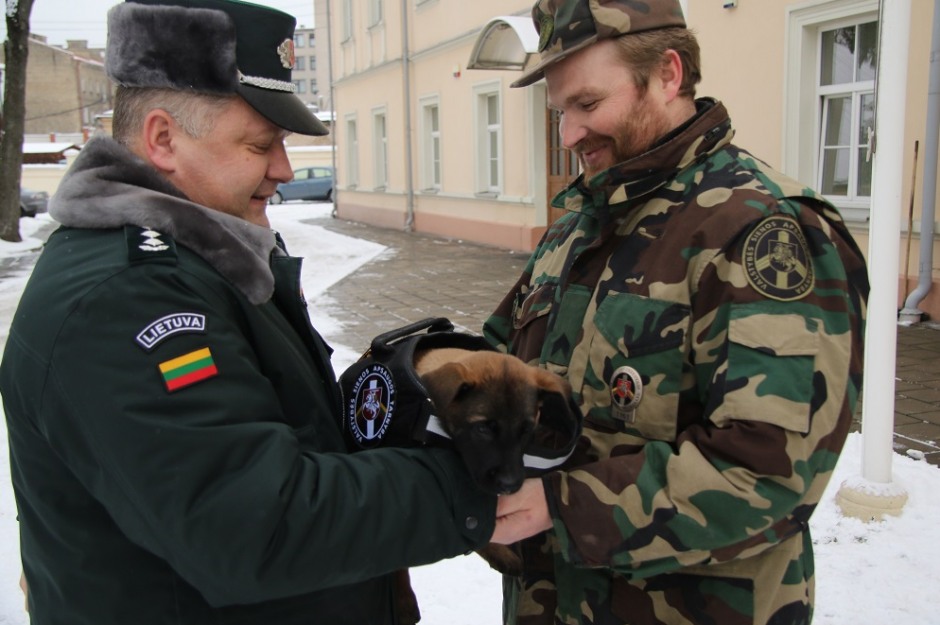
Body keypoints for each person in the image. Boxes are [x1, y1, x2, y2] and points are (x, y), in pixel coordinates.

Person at [0, 0, 502, 622]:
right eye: (261, 145)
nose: (284, 171)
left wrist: (394, 390)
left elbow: (261, 430)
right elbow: (253, 529)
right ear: (163, 139)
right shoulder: (130, 296)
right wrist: (472, 487)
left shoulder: (201, 256)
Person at [485, 1, 870, 623]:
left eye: (587, 105)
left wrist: (559, 505)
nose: (568, 135)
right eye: (559, 113)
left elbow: (769, 475)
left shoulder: (759, 231)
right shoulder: (578, 227)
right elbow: (505, 363)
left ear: (668, 74)